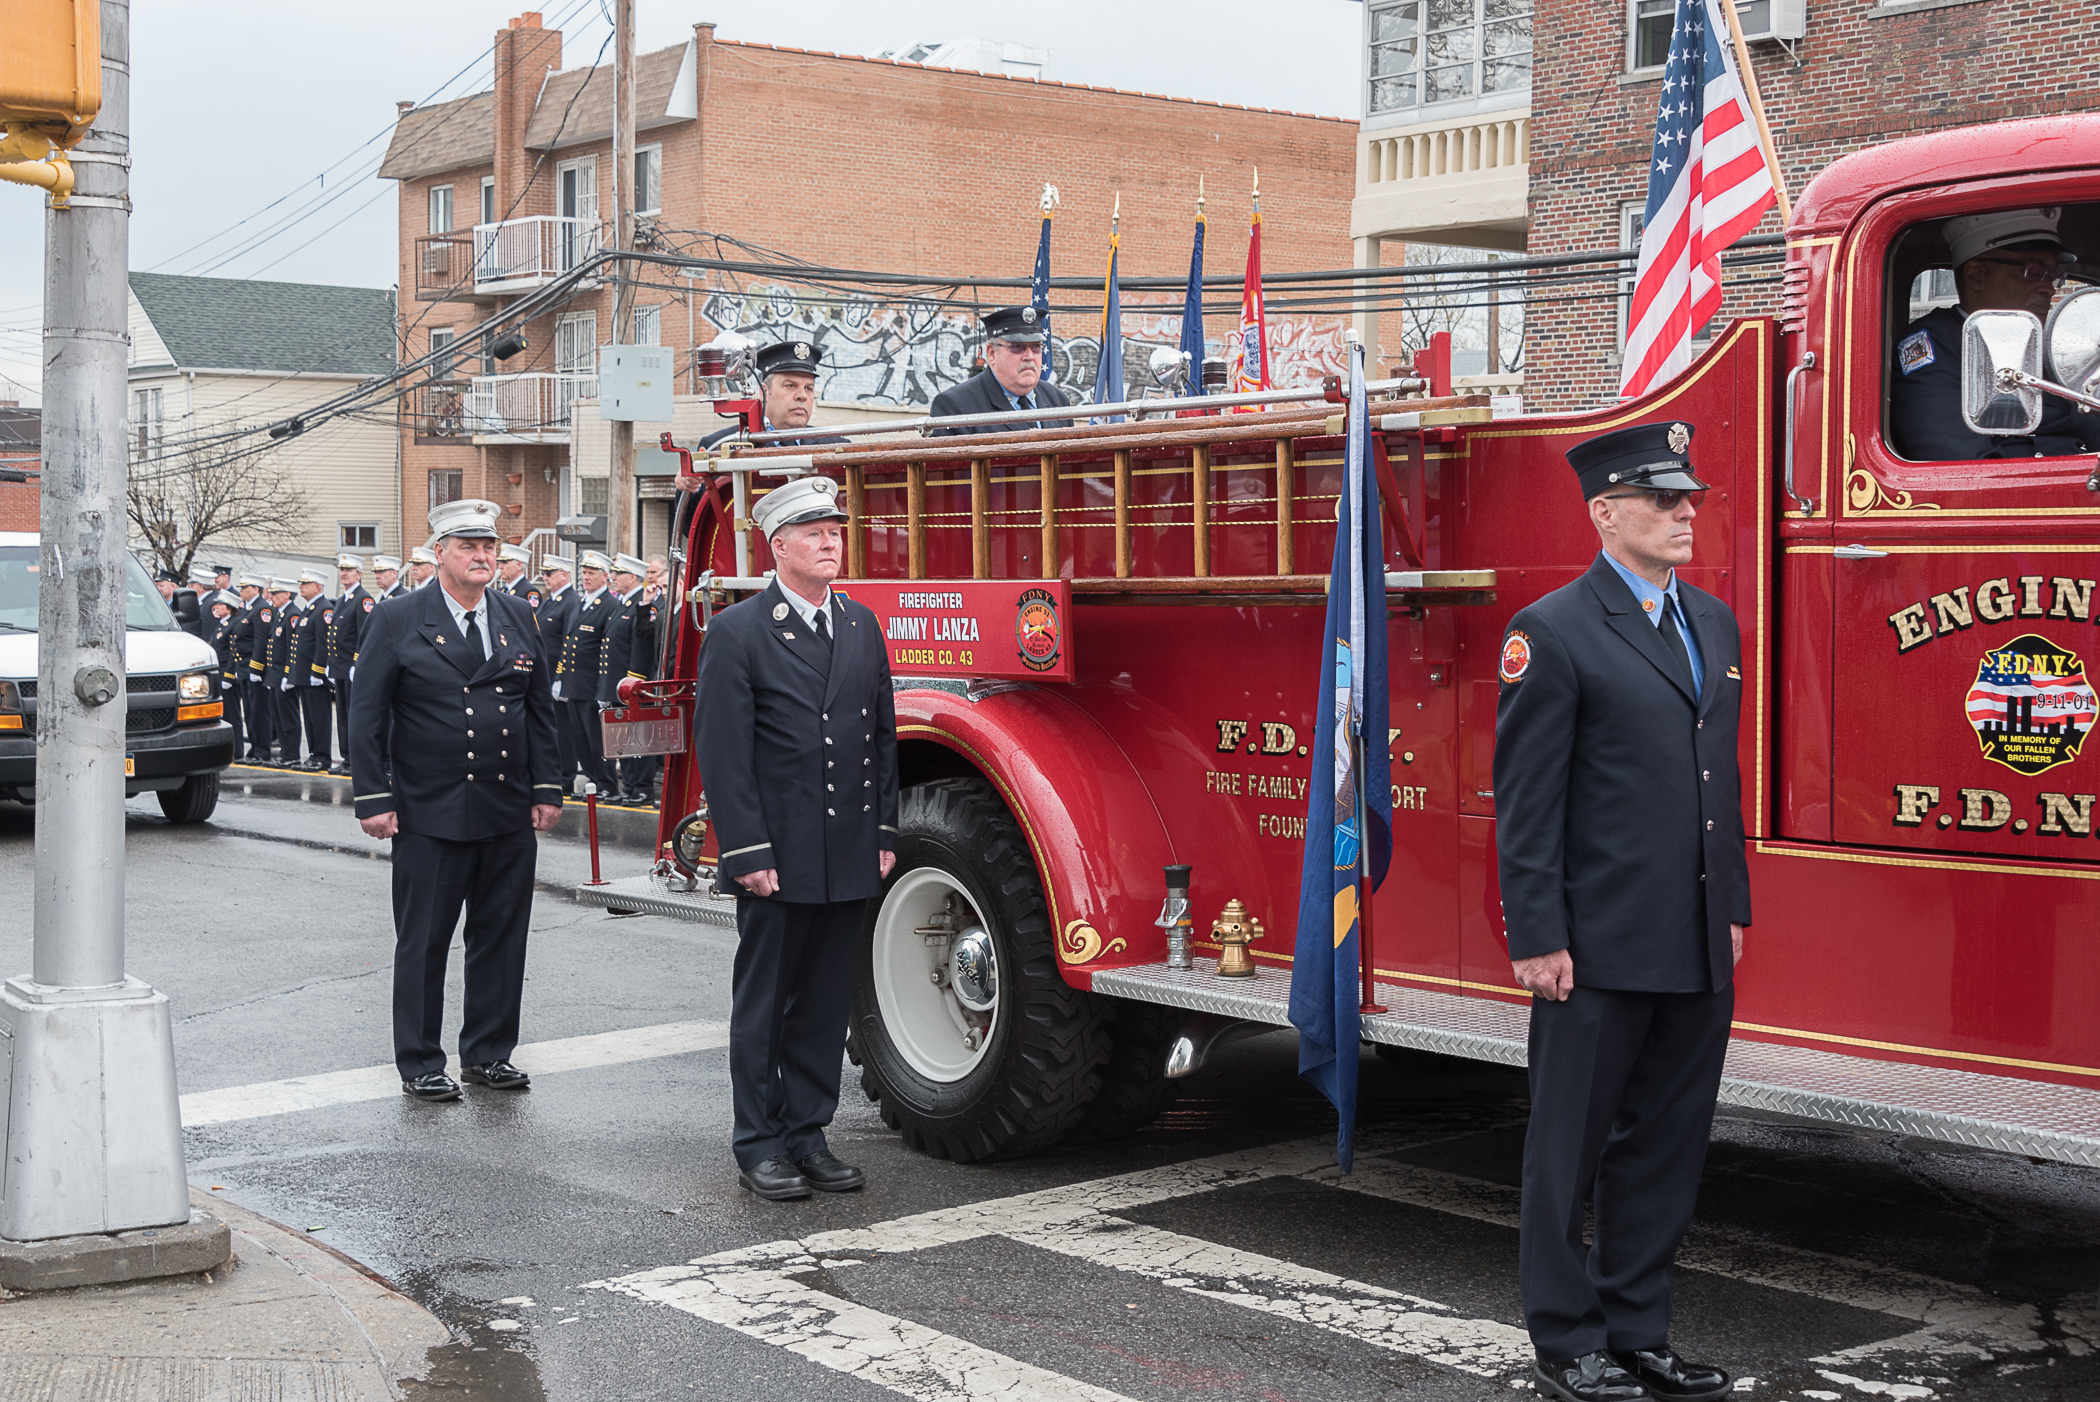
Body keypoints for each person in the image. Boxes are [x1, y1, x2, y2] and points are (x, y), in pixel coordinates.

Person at [1492, 421, 1747, 1402]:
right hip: (1593, 944)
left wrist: (1732, 906)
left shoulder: (1712, 622)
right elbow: (1528, 802)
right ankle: (1568, 1342)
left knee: (1666, 1146)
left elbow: (1716, 779)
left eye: (1690, 498)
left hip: (1694, 934)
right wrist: (1538, 935)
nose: (1685, 512)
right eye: (1662, 498)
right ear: (1605, 512)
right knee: (1567, 1152)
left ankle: (1638, 1333)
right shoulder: (1553, 630)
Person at [695, 474, 899, 1201]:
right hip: (777, 855)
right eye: (814, 533)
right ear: (778, 546)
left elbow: (881, 738)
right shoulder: (739, 630)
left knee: (822, 1004)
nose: (830, 543)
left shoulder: (860, 625)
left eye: (835, 532)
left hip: (846, 851)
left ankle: (808, 1134)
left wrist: (882, 833)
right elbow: (724, 753)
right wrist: (746, 851)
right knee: (766, 1005)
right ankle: (759, 1144)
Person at [350, 498, 563, 1103]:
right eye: (468, 547)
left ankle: (489, 1053)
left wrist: (547, 787)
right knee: (424, 941)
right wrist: (374, 796)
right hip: (430, 808)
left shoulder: (517, 612)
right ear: (439, 553)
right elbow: (367, 715)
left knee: (501, 936)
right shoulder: (398, 617)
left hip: (506, 806)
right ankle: (420, 1060)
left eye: (489, 547)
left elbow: (538, 709)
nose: (482, 556)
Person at [1891, 206, 2100, 462]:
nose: (2049, 288)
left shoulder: (2047, 345)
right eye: (2034, 271)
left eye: (2054, 275)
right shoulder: (1935, 342)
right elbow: (1957, 460)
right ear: (1976, 276)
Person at [929, 306, 1076, 435]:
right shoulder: (955, 406)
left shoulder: (1057, 400)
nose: (1029, 356)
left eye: (1036, 347)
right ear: (992, 353)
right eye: (1016, 347)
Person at [699, 341, 851, 450]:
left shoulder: (837, 447)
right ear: (764, 392)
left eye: (808, 388)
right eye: (790, 386)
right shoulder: (722, 446)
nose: (802, 396)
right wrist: (690, 482)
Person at [597, 552, 658, 805]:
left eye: (618, 573)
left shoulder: (641, 604)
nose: (613, 577)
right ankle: (630, 786)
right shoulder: (622, 603)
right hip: (618, 682)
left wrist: (634, 680)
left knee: (638, 737)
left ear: (632, 577)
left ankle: (642, 787)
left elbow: (641, 646)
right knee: (624, 738)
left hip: (632, 683)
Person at [558, 550, 617, 796]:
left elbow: (607, 649)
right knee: (580, 739)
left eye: (591, 573)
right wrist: (560, 678)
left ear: (605, 576)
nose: (586, 577)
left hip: (593, 684)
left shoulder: (610, 604)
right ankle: (593, 782)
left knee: (597, 740)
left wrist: (604, 688)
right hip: (574, 684)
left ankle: (607, 784)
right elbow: (568, 643)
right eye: (583, 573)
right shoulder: (580, 603)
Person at [538, 553, 581, 784]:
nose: (544, 577)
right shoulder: (551, 601)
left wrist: (561, 676)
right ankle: (555, 772)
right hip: (544, 674)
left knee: (563, 729)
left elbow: (568, 642)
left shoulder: (571, 601)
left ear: (564, 575)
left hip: (557, 675)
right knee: (550, 728)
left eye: (549, 573)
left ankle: (566, 776)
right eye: (543, 573)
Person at [329, 553, 371, 776]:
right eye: (342, 570)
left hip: (351, 667)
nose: (344, 573)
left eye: (349, 570)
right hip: (340, 667)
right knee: (343, 715)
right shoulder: (343, 599)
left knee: (354, 715)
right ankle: (346, 757)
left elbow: (364, 634)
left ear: (359, 574)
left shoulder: (363, 599)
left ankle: (356, 759)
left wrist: (356, 662)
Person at [290, 569, 335, 771]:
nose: (301, 586)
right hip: (304, 674)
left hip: (314, 675)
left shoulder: (324, 609)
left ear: (317, 587)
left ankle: (323, 756)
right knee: (309, 718)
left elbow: (323, 644)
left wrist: (317, 672)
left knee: (319, 718)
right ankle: (314, 754)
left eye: (305, 583)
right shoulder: (309, 609)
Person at [233, 573, 273, 762]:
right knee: (249, 711)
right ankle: (254, 748)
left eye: (245, 587)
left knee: (259, 711)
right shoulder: (248, 608)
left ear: (256, 589)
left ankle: (262, 750)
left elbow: (261, 640)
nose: (241, 590)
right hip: (243, 667)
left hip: (253, 668)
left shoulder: (262, 609)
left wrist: (256, 668)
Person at [263, 579, 300, 764]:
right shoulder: (280, 614)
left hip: (283, 674)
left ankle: (291, 754)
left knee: (288, 717)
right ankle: (285, 753)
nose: (271, 597)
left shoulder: (293, 615)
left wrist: (288, 674)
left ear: (287, 594)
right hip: (275, 674)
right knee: (278, 717)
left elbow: (291, 649)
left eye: (276, 593)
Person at [206, 589, 242, 741]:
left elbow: (233, 653)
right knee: (224, 714)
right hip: (219, 674)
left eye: (220, 604)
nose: (217, 607)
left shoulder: (233, 624)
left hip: (227, 675)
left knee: (232, 714)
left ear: (229, 607)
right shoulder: (222, 625)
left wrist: (228, 676)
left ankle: (237, 748)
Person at [156, 569, 206, 638]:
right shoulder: (158, 605)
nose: (158, 588)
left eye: (161, 586)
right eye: (156, 585)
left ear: (173, 586)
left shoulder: (182, 605)